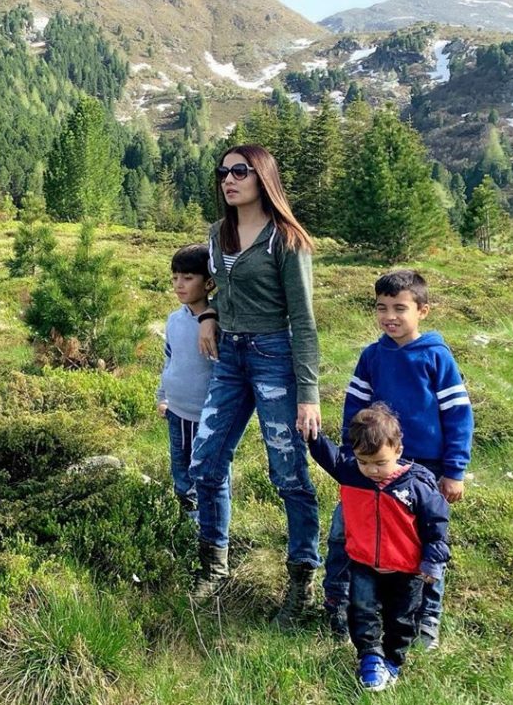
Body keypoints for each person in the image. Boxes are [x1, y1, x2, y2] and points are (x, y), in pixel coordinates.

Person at [189, 144, 322, 626]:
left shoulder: (286, 240)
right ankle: (214, 566)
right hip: (230, 357)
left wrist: (308, 394)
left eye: (240, 171)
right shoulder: (217, 233)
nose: (228, 179)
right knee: (205, 461)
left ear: (262, 177)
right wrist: (207, 314)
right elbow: (213, 287)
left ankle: (302, 581)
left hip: (274, 358)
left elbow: (303, 320)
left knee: (287, 472)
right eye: (223, 171)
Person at [322, 269, 473, 649]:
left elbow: (458, 415)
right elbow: (355, 409)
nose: (390, 316)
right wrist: (351, 455)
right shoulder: (371, 356)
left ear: (423, 310)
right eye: (382, 307)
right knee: (345, 532)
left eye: (400, 308)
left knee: (425, 542)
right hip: (371, 465)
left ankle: (426, 618)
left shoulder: (437, 356)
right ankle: (339, 603)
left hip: (426, 468)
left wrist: (454, 471)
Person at [309, 402, 450, 692]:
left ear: (398, 450)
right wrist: (311, 434)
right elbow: (327, 455)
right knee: (361, 611)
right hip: (363, 564)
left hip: (406, 570)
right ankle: (370, 657)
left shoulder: (417, 486)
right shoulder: (352, 474)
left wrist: (432, 561)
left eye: (380, 463)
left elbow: (436, 527)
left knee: (401, 619)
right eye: (364, 461)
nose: (372, 470)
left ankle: (393, 661)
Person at [155, 244, 216, 522]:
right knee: (179, 465)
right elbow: (170, 360)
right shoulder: (174, 320)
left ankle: (207, 524)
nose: (179, 285)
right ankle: (186, 519)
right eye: (175, 278)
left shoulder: (216, 325)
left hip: (204, 413)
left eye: (188, 278)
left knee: (204, 469)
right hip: (176, 410)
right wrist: (163, 396)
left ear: (209, 282)